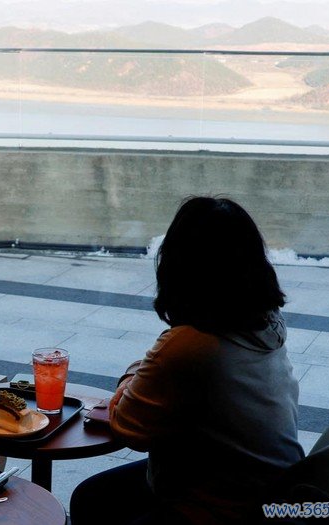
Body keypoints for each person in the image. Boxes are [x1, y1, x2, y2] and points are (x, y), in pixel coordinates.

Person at [70, 196, 304, 525]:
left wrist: (129, 377)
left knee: (92, 501)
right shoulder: (266, 322)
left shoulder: (191, 346)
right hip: (276, 489)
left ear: (181, 266)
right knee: (93, 496)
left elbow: (129, 427)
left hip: (227, 507)